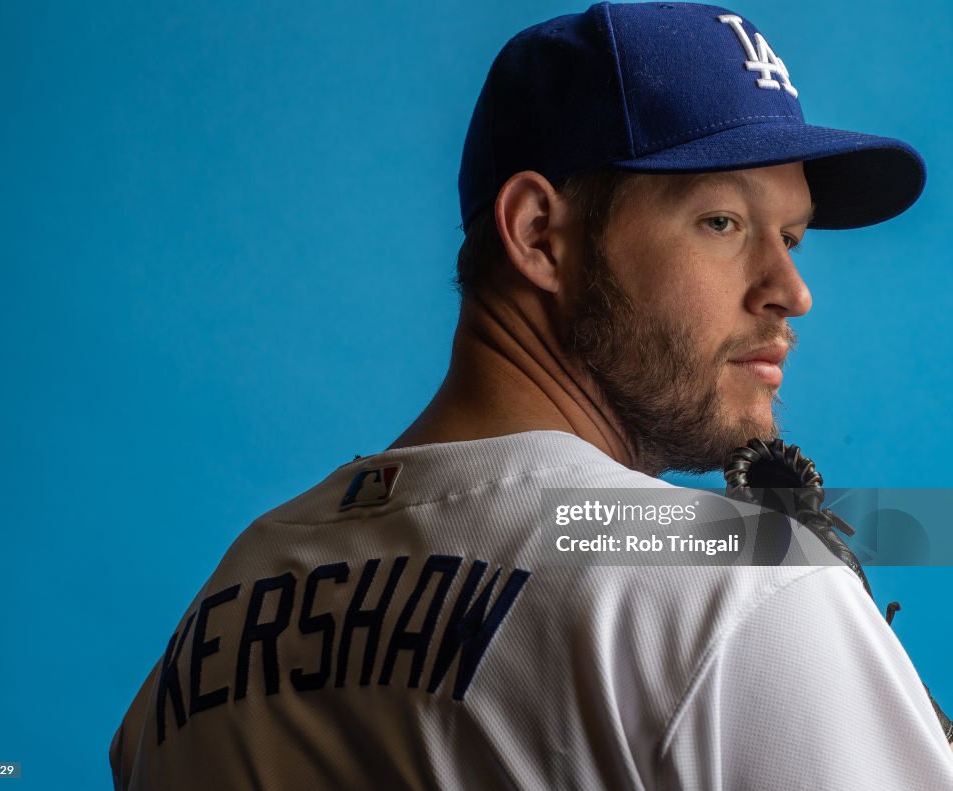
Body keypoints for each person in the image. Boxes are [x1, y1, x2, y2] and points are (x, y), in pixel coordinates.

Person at [109, 3, 953, 788]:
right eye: (722, 222)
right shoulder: (736, 580)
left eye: (793, 235)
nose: (789, 289)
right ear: (538, 234)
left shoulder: (208, 626)